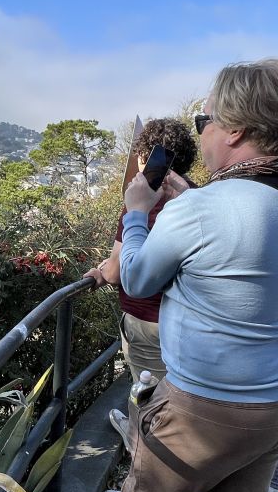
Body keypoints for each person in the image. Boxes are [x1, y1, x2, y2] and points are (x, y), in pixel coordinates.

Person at [117, 59, 278, 492]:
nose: (204, 131)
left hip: (210, 412)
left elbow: (136, 276)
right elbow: (248, 255)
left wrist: (136, 211)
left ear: (235, 130)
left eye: (205, 121)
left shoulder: (198, 211)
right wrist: (192, 201)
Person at [84, 118, 197, 388]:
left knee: (147, 398)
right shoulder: (197, 197)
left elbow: (115, 273)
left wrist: (102, 271)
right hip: (191, 323)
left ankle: (137, 431)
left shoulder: (140, 204)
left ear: (145, 157)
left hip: (148, 321)